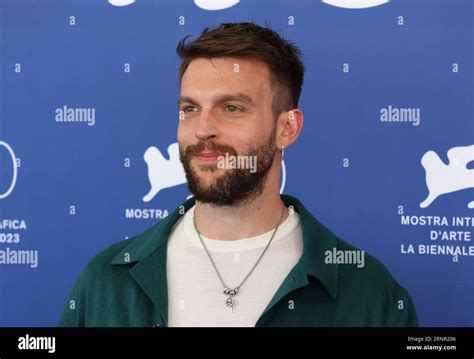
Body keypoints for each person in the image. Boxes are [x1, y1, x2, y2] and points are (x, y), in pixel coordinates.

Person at [59, 22, 418, 327]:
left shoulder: (369, 293)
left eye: (231, 108)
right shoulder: (106, 282)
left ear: (287, 128)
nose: (203, 130)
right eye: (190, 108)